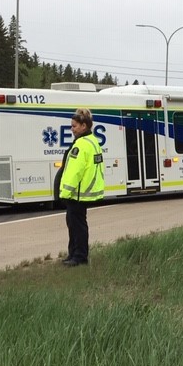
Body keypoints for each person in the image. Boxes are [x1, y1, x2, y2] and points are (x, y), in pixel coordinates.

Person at [59, 109, 105, 266]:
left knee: (77, 226)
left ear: (83, 126)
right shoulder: (92, 141)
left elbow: (75, 172)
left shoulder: (81, 144)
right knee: (75, 225)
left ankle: (79, 257)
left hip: (77, 194)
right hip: (82, 193)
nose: (72, 129)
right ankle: (73, 254)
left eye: (74, 126)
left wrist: (65, 193)